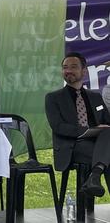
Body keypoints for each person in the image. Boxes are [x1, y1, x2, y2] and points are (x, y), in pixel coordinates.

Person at [45, 52, 110, 197]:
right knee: (108, 154)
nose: (68, 71)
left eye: (73, 67)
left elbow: (107, 121)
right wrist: (88, 130)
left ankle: (95, 175)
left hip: (99, 143)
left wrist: (100, 130)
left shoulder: (95, 97)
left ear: (84, 71)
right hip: (72, 146)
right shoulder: (53, 98)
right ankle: (95, 175)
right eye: (65, 67)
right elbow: (58, 127)